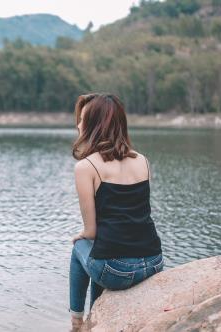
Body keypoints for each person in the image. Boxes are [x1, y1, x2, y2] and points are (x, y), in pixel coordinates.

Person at [68, 93, 164, 331]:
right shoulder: (143, 160)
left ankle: (77, 322)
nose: (78, 124)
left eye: (82, 119)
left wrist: (81, 236)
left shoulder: (86, 167)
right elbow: (136, 216)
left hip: (118, 271)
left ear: (94, 125)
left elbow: (91, 232)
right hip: (153, 261)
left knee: (80, 248)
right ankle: (94, 315)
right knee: (102, 250)